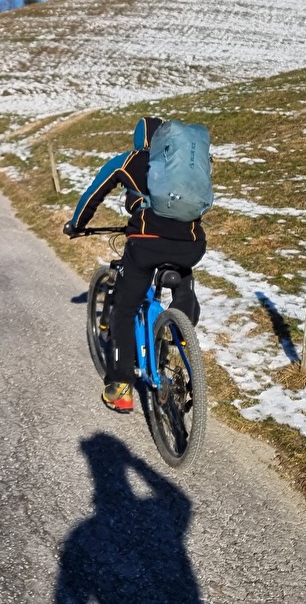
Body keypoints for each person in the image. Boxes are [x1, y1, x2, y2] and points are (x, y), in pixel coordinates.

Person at [63, 116, 206, 413]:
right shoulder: (188, 161)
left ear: (139, 139)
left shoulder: (129, 160)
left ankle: (121, 387)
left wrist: (77, 224)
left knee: (125, 310)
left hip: (146, 245)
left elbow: (94, 193)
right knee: (182, 275)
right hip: (191, 245)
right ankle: (181, 326)